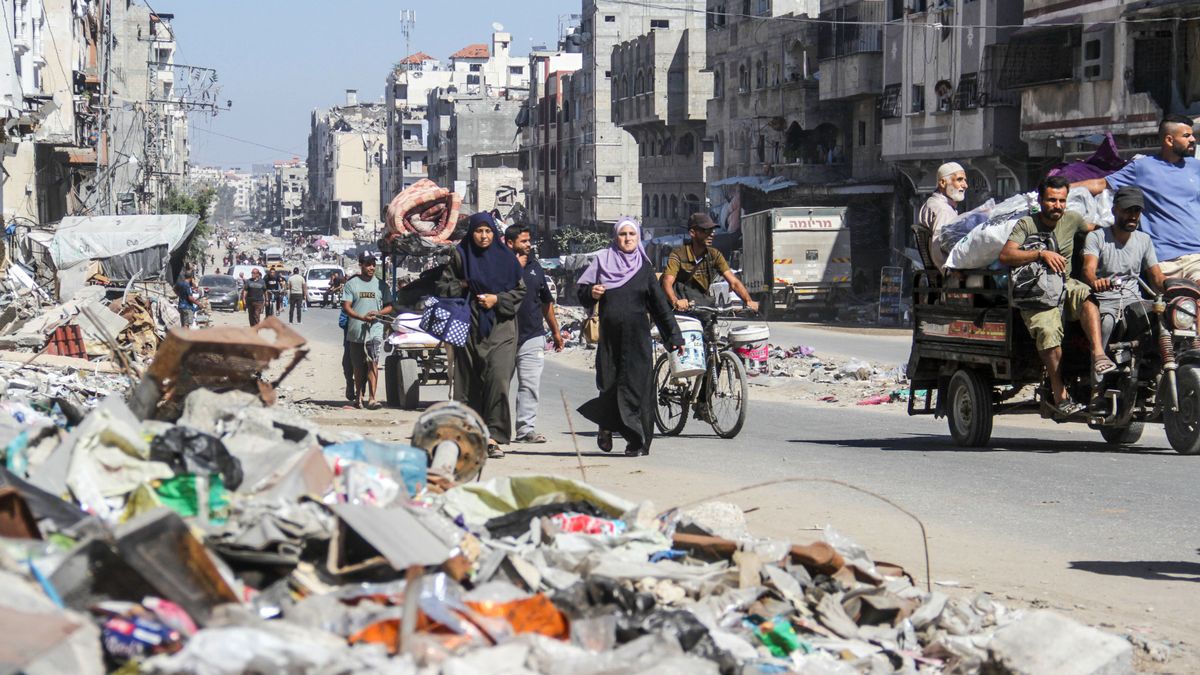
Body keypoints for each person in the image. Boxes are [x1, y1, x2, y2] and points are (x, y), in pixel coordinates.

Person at [577, 217, 684, 457]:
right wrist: (591, 293)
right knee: (609, 386)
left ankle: (637, 442)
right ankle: (605, 426)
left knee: (638, 389)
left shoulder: (644, 269)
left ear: (638, 238)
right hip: (610, 341)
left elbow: (660, 307)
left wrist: (674, 337)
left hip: (638, 341)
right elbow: (582, 293)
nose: (627, 239)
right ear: (616, 237)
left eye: (632, 235)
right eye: (623, 234)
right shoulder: (603, 262)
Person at [998, 175, 1097, 415]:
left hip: (1066, 284)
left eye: (1062, 200)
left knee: (1089, 299)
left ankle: (1099, 358)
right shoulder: (1026, 225)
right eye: (1052, 200)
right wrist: (1040, 254)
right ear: (1041, 200)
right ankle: (1059, 394)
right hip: (1037, 292)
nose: (1058, 206)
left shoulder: (1072, 219)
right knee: (1049, 333)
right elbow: (1006, 255)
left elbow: (1095, 230)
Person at [435, 213, 526, 458]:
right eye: (479, 231)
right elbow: (443, 287)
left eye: (488, 231)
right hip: (469, 327)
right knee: (469, 384)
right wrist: (465, 284)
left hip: (501, 328)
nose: (484, 236)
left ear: (494, 233)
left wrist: (498, 299)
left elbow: (519, 291)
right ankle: (470, 436)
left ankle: (494, 437)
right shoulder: (460, 255)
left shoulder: (507, 258)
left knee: (498, 381)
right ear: (471, 233)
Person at [1075, 114, 1200, 280]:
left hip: (1196, 256)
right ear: (1169, 140)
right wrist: (1059, 189)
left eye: (1192, 135)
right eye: (1186, 136)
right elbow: (1101, 184)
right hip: (1162, 260)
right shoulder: (1143, 167)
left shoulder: (1195, 167)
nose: (1192, 139)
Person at [1080, 186, 1167, 379]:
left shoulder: (1144, 240)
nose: (1133, 215)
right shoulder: (1097, 237)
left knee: (1161, 320)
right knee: (1107, 324)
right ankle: (1097, 387)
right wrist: (1097, 282)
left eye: (1136, 211)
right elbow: (1088, 270)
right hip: (1104, 299)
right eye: (1127, 210)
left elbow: (1157, 278)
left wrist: (1175, 286)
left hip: (1133, 299)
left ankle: (1154, 373)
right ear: (1114, 209)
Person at [504, 223, 565, 444]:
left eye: (529, 240)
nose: (529, 245)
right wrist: (512, 267)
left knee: (529, 385)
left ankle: (525, 430)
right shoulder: (497, 266)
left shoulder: (535, 267)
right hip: (503, 336)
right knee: (500, 385)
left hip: (533, 335)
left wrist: (556, 333)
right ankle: (496, 431)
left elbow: (546, 302)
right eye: (524, 241)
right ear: (509, 243)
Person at [662, 213, 759, 313]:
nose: (711, 234)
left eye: (712, 230)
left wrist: (748, 301)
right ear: (692, 232)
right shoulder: (678, 254)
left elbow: (733, 282)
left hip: (701, 306)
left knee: (712, 325)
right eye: (706, 230)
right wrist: (675, 301)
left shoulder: (714, 255)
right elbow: (667, 282)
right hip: (680, 308)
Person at [342, 254, 393, 409]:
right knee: (357, 367)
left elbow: (390, 306)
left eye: (373, 264)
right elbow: (346, 306)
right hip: (356, 332)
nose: (371, 267)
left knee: (373, 363)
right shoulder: (352, 285)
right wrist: (361, 317)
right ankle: (359, 397)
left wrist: (378, 313)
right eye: (368, 264)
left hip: (375, 331)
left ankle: (372, 398)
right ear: (361, 265)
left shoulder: (381, 286)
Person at [918, 162, 968, 269]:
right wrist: (951, 272)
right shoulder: (943, 210)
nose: (965, 185)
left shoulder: (933, 203)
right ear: (942, 183)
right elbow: (938, 246)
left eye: (965, 180)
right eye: (959, 180)